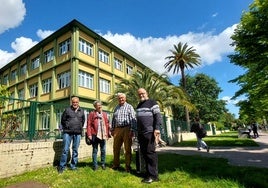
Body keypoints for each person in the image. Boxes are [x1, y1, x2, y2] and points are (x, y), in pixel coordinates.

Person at [136, 88, 161, 184]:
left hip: (150, 132)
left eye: (142, 93)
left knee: (150, 153)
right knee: (144, 153)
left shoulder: (152, 103)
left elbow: (157, 116)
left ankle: (153, 176)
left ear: (147, 93)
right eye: (139, 94)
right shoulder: (139, 105)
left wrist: (157, 128)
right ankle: (148, 173)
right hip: (141, 133)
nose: (141, 95)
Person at [58, 96, 85, 174]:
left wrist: (79, 127)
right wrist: (67, 126)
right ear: (71, 102)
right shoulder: (67, 110)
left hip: (78, 133)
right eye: (73, 102)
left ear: (78, 102)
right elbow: (63, 120)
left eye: (76, 102)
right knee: (65, 150)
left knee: (75, 150)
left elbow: (83, 121)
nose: (75, 103)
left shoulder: (81, 111)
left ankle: (73, 166)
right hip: (67, 132)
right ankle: (62, 166)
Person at [111, 93, 136, 172]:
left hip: (127, 129)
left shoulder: (129, 107)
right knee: (116, 148)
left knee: (127, 148)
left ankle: (127, 166)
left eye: (122, 98)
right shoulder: (116, 108)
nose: (121, 99)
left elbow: (133, 118)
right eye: (119, 98)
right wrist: (112, 129)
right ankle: (116, 165)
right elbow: (113, 119)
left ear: (125, 98)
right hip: (117, 129)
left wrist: (132, 130)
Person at [87, 100, 110, 171]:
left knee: (103, 150)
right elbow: (89, 124)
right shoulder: (92, 114)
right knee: (95, 150)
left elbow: (107, 124)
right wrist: (89, 134)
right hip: (95, 135)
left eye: (100, 105)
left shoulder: (105, 114)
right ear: (95, 107)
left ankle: (103, 163)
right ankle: (95, 165)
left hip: (103, 135)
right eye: (98, 105)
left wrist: (108, 133)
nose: (100, 106)